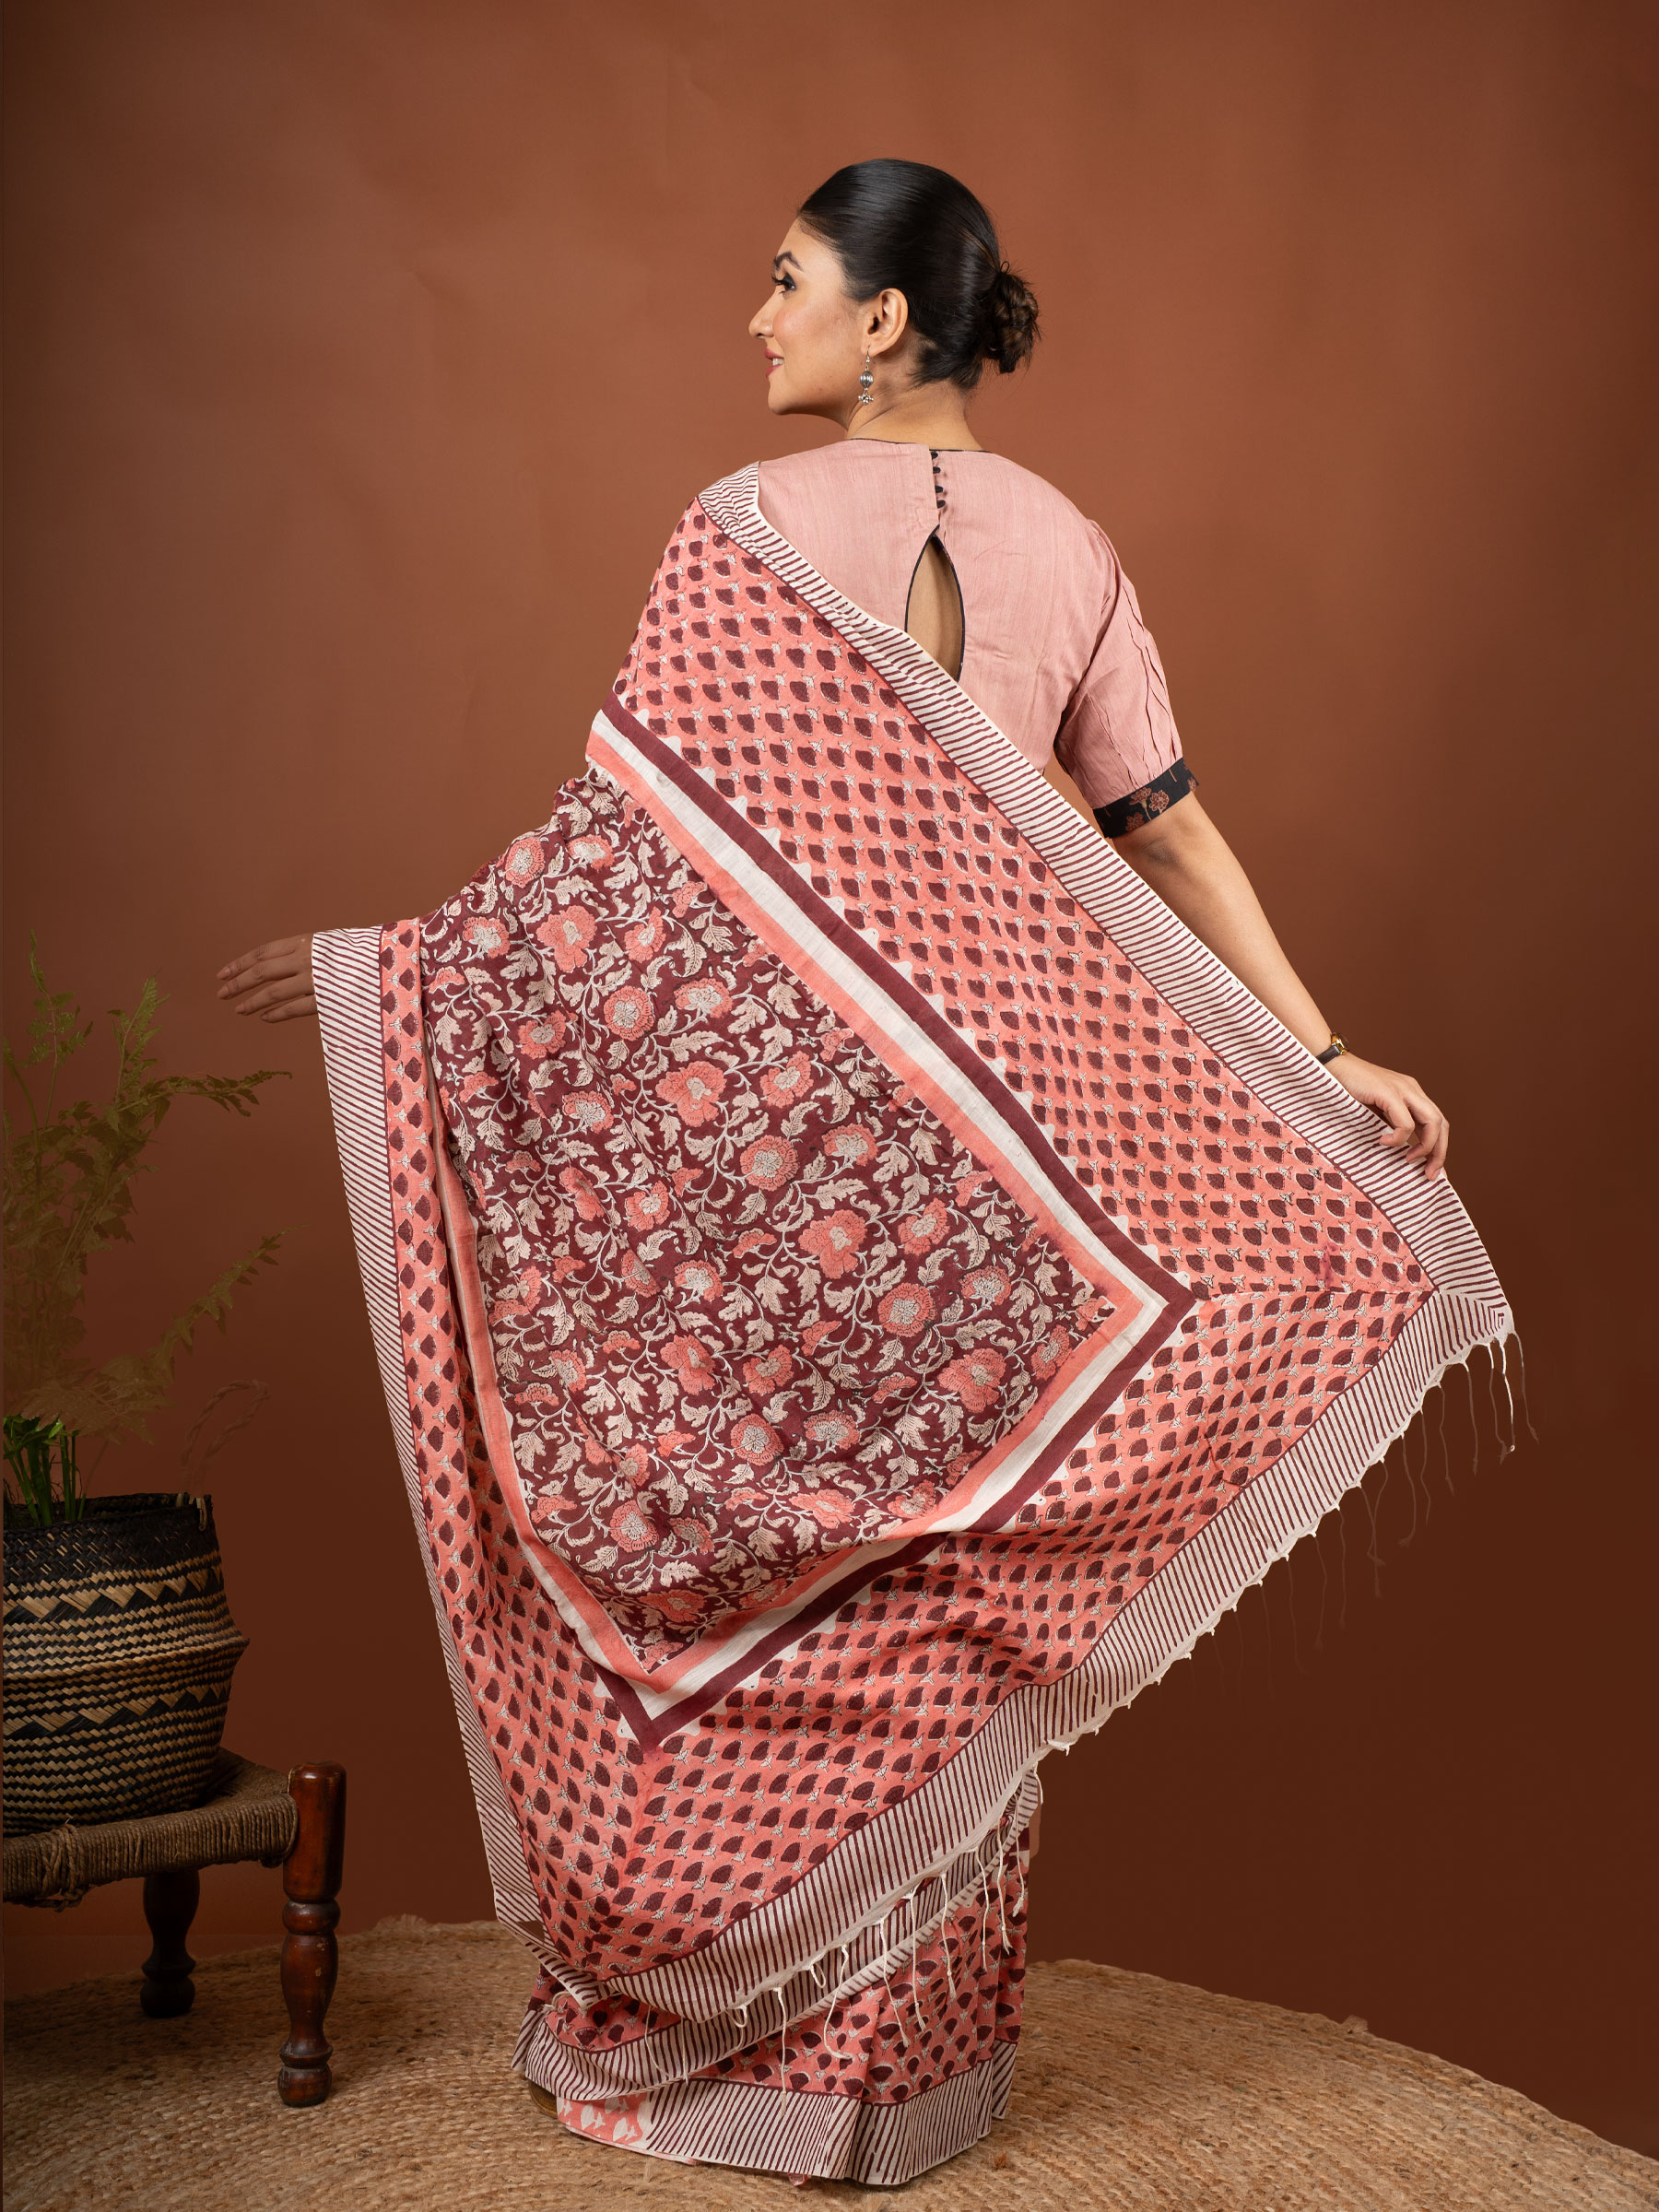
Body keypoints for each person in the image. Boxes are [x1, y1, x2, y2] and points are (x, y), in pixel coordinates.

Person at [220, 161, 1501, 2188]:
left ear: (884, 317)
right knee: (947, 1589)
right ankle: (893, 2096)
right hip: (1005, 1192)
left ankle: (692, 2044)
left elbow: (618, 876)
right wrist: (1323, 1050)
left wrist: (395, 976)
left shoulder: (741, 533)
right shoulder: (1072, 546)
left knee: (750, 1549)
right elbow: (1170, 832)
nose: (760, 320)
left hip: (788, 1176)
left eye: (787, 280)